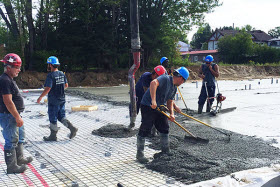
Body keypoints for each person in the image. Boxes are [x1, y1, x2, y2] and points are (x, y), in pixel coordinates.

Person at [136, 67, 189, 163]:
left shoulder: (174, 88)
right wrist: (153, 100)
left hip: (159, 107)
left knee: (164, 127)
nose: (182, 83)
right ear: (181, 78)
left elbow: (169, 101)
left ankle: (165, 151)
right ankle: (140, 154)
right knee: (145, 128)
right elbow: (153, 83)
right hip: (148, 105)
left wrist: (172, 114)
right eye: (183, 81)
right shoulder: (165, 78)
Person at [0, 53, 33, 174]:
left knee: (20, 137)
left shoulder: (9, 79)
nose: (19, 70)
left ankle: (19, 159)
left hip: (13, 115)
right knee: (11, 140)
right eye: (17, 67)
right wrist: (17, 117)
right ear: (8, 68)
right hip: (9, 116)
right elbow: (8, 102)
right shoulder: (5, 80)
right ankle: (12, 167)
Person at [37, 56, 78, 141]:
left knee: (53, 117)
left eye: (48, 64)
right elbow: (66, 86)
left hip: (53, 101)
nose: (48, 66)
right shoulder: (62, 74)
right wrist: (59, 87)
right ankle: (72, 128)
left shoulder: (50, 75)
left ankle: (53, 136)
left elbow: (48, 88)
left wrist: (40, 97)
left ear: (51, 65)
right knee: (61, 116)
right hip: (62, 99)